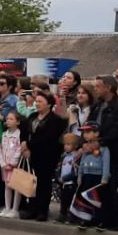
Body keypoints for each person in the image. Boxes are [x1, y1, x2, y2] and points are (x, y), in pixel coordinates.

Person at [93, 75, 118, 230]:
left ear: (108, 87)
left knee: (114, 187)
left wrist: (101, 141)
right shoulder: (99, 105)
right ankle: (102, 217)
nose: (95, 89)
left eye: (98, 86)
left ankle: (116, 220)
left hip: (115, 153)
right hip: (98, 152)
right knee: (101, 186)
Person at [19, 91, 67, 221]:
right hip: (30, 155)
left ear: (49, 104)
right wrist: (24, 144)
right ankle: (31, 208)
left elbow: (48, 138)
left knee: (44, 184)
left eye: (40, 101)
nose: (37, 104)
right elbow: (23, 131)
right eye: (36, 101)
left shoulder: (55, 120)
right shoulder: (32, 116)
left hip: (46, 155)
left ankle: (42, 210)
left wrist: (29, 144)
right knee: (30, 182)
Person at [70, 123, 109, 228]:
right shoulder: (85, 149)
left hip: (98, 177)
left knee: (97, 199)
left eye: (88, 132)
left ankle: (100, 221)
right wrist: (79, 176)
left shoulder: (104, 148)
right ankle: (86, 219)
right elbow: (82, 163)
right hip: (86, 176)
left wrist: (105, 177)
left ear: (97, 133)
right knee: (85, 199)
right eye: (84, 133)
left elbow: (106, 163)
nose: (85, 135)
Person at [0, 110, 27, 218]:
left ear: (18, 122)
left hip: (15, 166)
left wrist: (13, 162)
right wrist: (3, 163)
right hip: (5, 166)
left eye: (11, 119)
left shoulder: (19, 135)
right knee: (7, 185)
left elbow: (19, 149)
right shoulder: (4, 134)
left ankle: (15, 209)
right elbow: (0, 149)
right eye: (7, 119)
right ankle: (7, 207)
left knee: (16, 186)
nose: (8, 121)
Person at [55, 133, 82, 223]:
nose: (65, 147)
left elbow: (75, 171)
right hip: (63, 182)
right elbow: (59, 167)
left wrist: (66, 178)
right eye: (65, 144)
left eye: (68, 144)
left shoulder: (76, 157)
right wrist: (58, 177)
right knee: (63, 199)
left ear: (75, 145)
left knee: (70, 199)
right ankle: (62, 214)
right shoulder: (64, 156)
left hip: (71, 183)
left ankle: (71, 216)